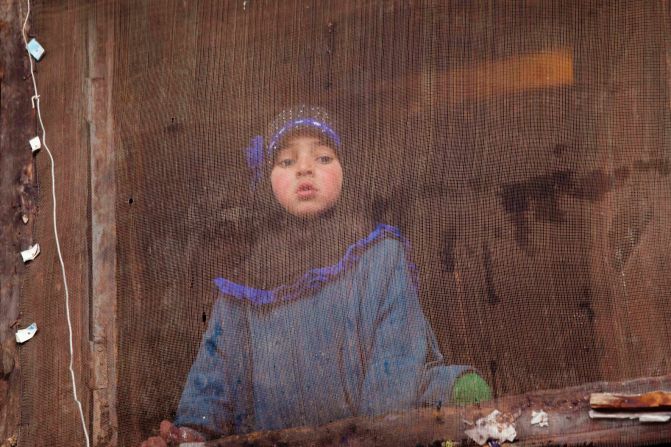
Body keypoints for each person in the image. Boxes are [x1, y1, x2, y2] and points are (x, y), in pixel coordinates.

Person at [140, 106, 491, 446]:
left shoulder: (381, 256)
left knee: (466, 393)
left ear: (345, 171)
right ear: (266, 180)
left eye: (323, 158)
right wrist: (190, 434)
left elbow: (396, 371)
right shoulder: (239, 291)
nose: (304, 169)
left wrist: (369, 440)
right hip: (275, 440)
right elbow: (210, 387)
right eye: (286, 161)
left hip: (372, 435)